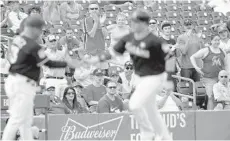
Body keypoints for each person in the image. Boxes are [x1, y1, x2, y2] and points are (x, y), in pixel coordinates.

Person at [84, 9, 173, 140]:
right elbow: (112, 52)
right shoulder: (128, 38)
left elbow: (169, 58)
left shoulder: (154, 40)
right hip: (140, 77)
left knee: (140, 105)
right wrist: (94, 59)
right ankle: (156, 134)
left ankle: (157, 134)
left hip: (153, 77)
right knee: (139, 106)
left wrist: (168, 79)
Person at [2, 14, 80, 140]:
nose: (39, 32)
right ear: (32, 28)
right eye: (39, 29)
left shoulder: (17, 40)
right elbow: (49, 63)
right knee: (17, 119)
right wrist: (68, 63)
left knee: (26, 120)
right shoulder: (32, 45)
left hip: (17, 81)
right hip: (21, 83)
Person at [190, 34, 226, 110]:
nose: (217, 42)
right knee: (210, 96)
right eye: (215, 40)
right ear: (211, 41)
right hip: (209, 78)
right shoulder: (206, 50)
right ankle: (210, 114)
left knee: (222, 97)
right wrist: (196, 67)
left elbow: (225, 64)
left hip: (220, 78)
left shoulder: (222, 51)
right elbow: (192, 57)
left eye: (218, 40)